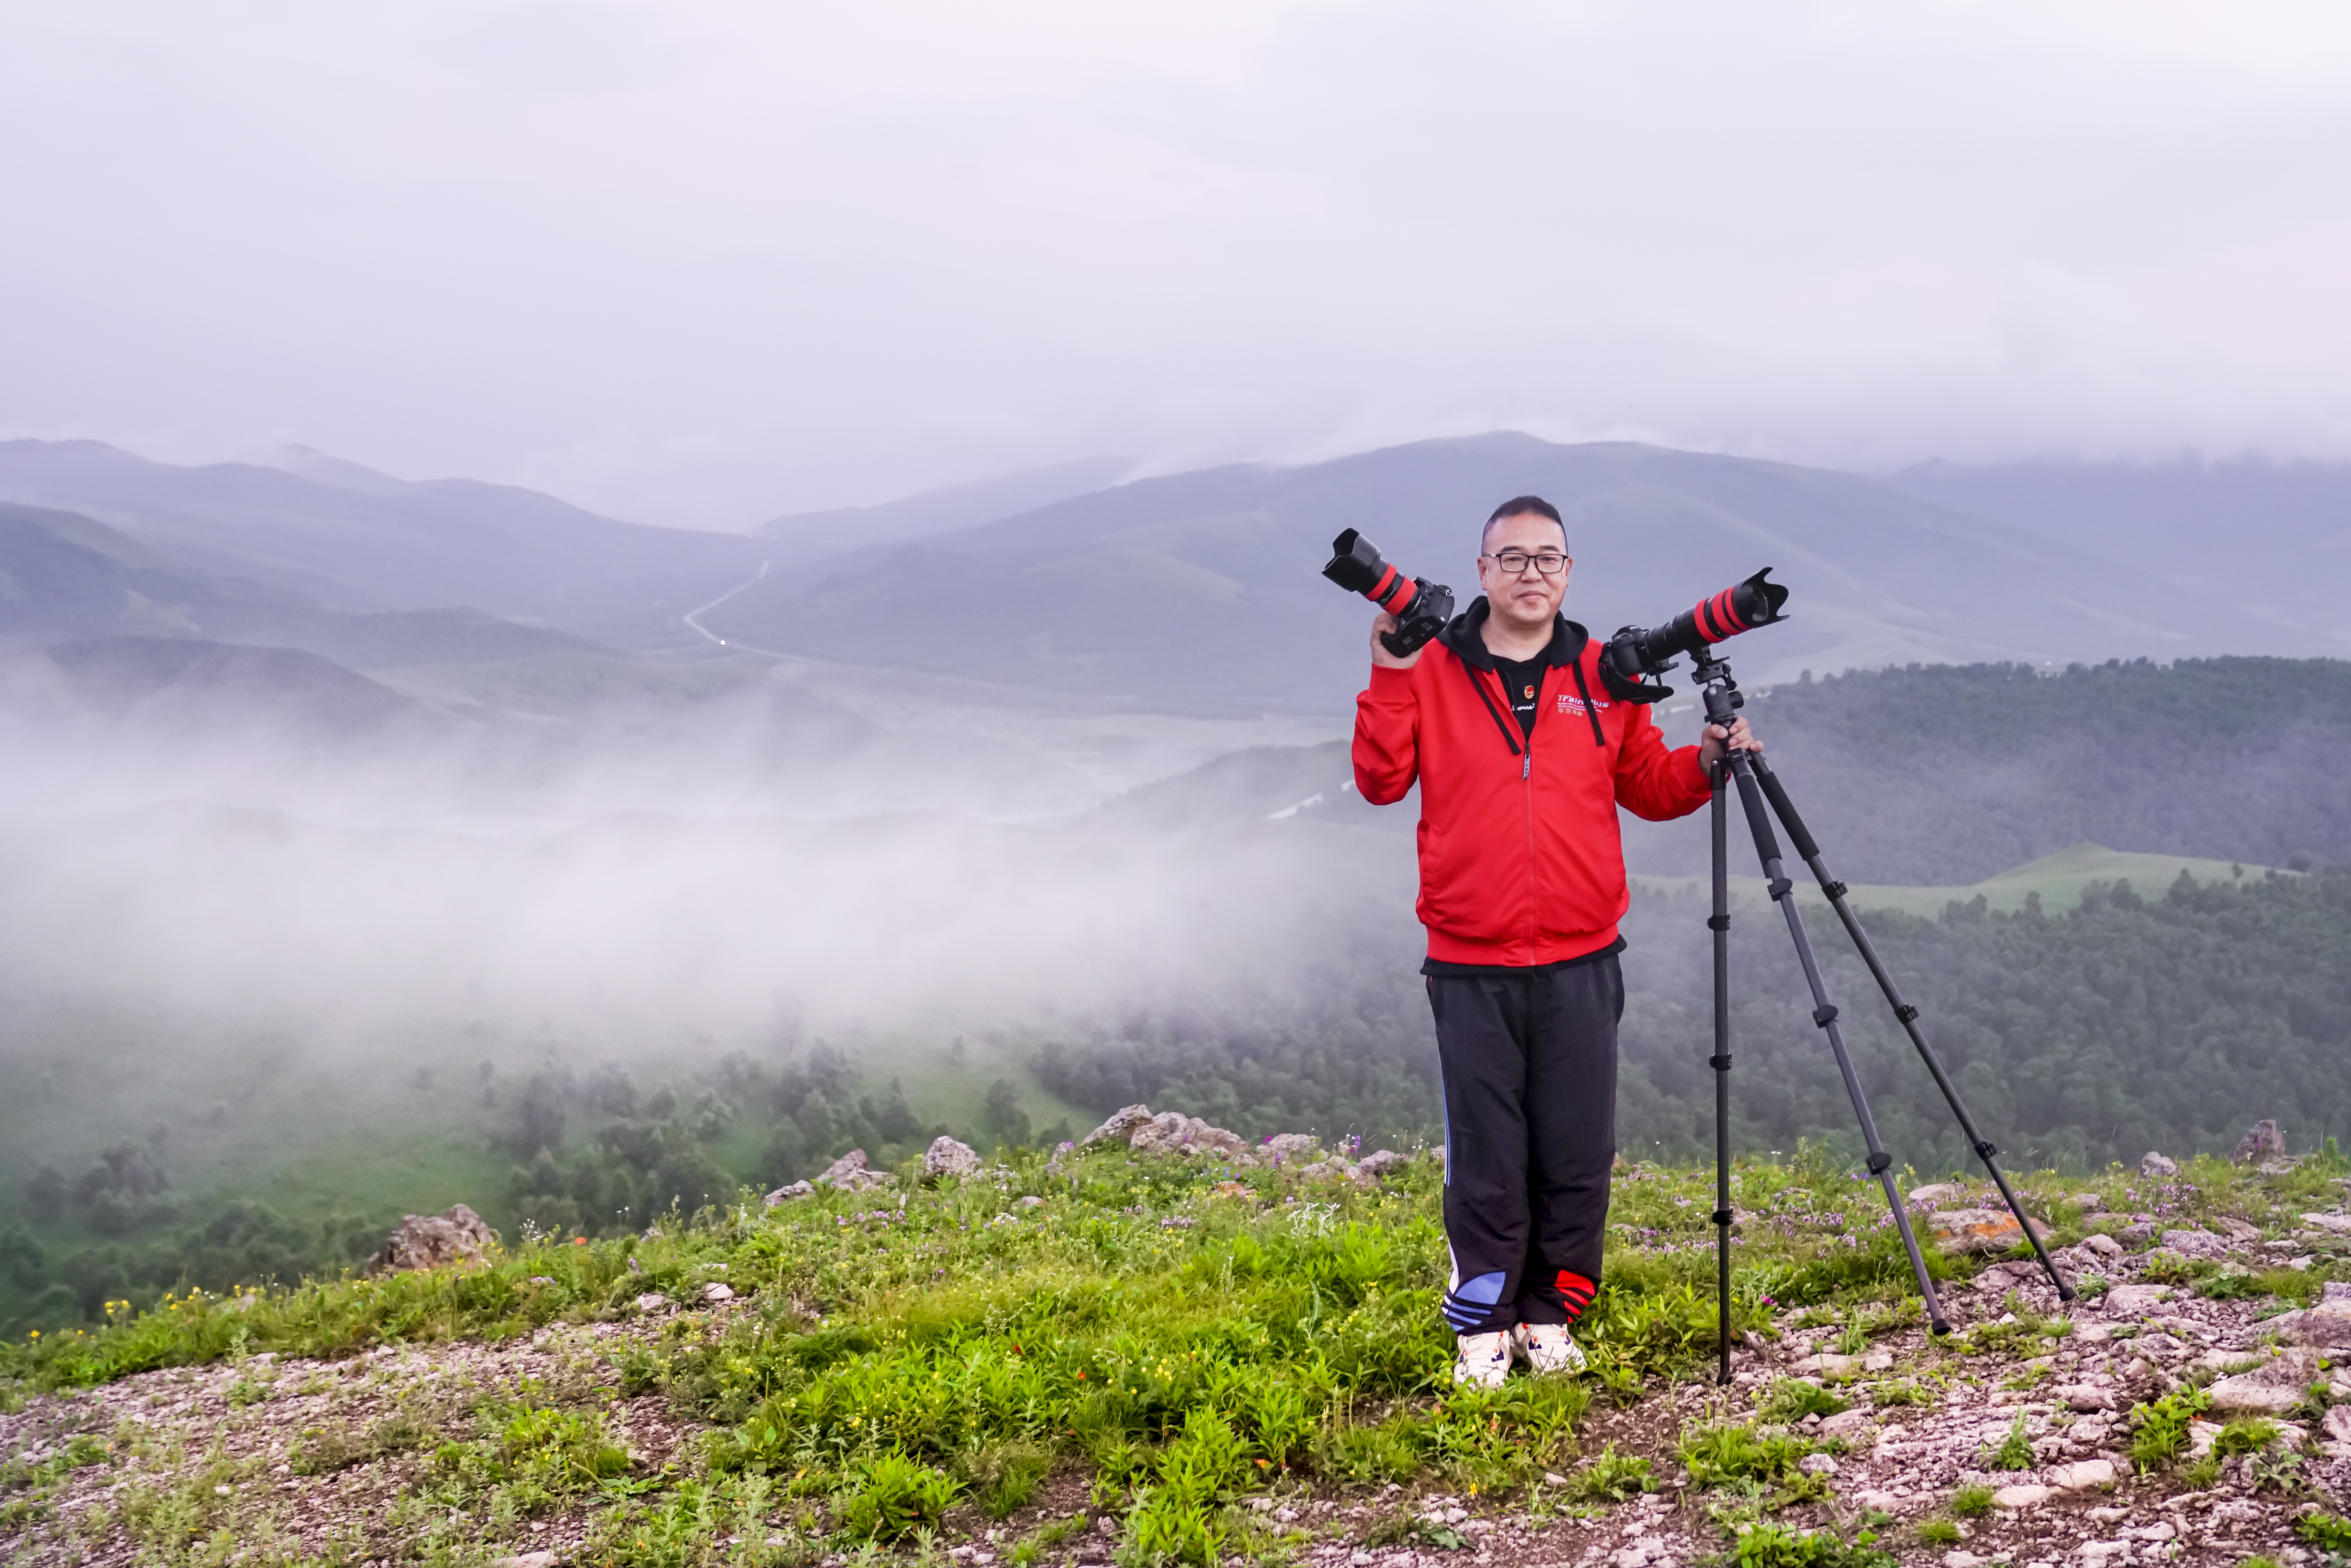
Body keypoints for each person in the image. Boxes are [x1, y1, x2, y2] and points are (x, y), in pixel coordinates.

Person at [1350, 495, 1760, 1387]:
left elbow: (1645, 785)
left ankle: (1551, 1315)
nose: (1531, 573)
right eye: (1513, 558)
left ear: (1568, 573)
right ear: (1484, 570)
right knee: (1489, 1151)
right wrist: (1388, 666)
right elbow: (1381, 783)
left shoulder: (1603, 674)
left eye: (1548, 559)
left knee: (1577, 1147)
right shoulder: (1432, 666)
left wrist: (1706, 762)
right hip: (1469, 956)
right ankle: (1483, 1326)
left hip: (1582, 950)